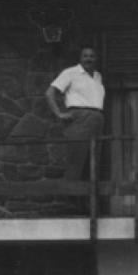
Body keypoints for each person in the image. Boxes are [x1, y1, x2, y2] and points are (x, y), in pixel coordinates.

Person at [46, 45, 105, 185]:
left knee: (93, 163)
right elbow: (49, 93)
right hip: (80, 118)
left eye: (92, 56)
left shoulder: (98, 76)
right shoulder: (70, 73)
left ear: (96, 59)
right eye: (85, 56)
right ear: (80, 58)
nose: (88, 59)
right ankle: (72, 201)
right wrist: (59, 114)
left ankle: (88, 203)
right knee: (76, 160)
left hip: (97, 118)